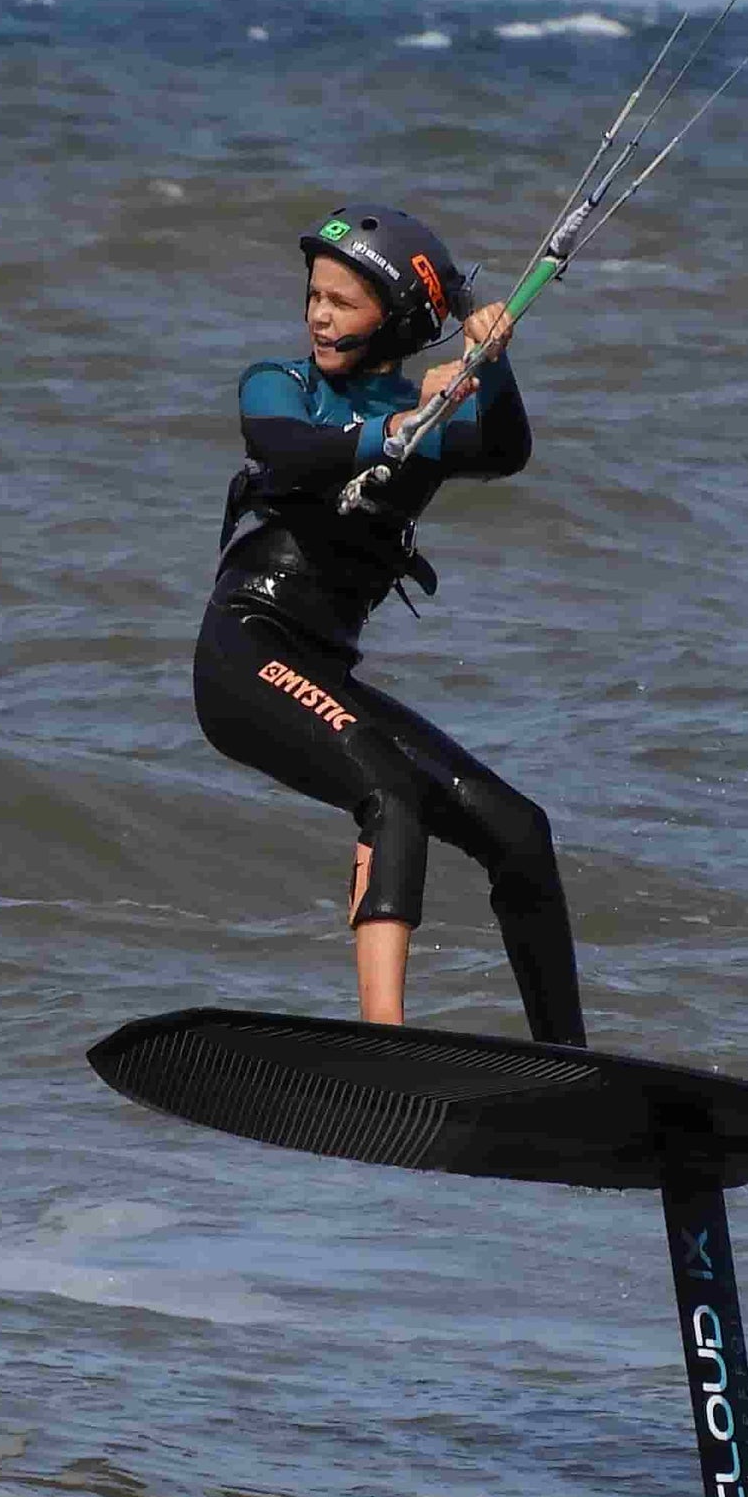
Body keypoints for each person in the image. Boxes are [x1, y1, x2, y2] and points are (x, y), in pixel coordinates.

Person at [191, 205, 586, 1045]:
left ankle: (567, 1061)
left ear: (398, 319)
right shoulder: (280, 385)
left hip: (324, 673)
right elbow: (288, 448)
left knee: (520, 832)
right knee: (391, 793)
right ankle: (386, 1039)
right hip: (247, 649)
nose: (319, 316)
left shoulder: (432, 414)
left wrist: (494, 366)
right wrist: (394, 429)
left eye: (344, 302)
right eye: (315, 297)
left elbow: (504, 450)